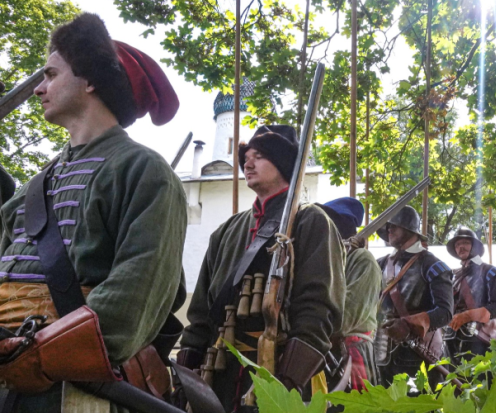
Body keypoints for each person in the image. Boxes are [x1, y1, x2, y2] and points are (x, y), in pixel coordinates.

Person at [0, 13, 186, 411]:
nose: (39, 89)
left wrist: (42, 358)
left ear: (90, 81)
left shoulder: (145, 171)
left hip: (71, 388)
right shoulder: (33, 187)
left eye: (50, 74)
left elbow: (139, 288)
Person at [179, 125, 345, 410]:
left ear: (282, 164)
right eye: (247, 156)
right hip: (221, 374)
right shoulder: (226, 231)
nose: (248, 162)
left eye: (260, 156)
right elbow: (202, 313)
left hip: (284, 374)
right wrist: (187, 371)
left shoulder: (311, 222)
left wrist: (284, 386)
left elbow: (318, 310)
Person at [375, 206, 453, 387]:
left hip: (418, 352)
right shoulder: (379, 263)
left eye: (394, 225)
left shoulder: (433, 265)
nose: (389, 229)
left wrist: (407, 323)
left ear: (409, 228)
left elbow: (445, 312)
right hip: (380, 349)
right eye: (388, 227)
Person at [317, 197, 381, 390]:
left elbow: (347, 317)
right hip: (325, 349)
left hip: (350, 353)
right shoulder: (329, 263)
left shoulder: (364, 261)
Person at [445, 227, 496, 360]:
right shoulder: (454, 276)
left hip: (480, 340)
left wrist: (467, 315)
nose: (461, 247)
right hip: (452, 338)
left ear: (474, 247)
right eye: (457, 244)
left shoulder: (491, 272)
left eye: (465, 243)